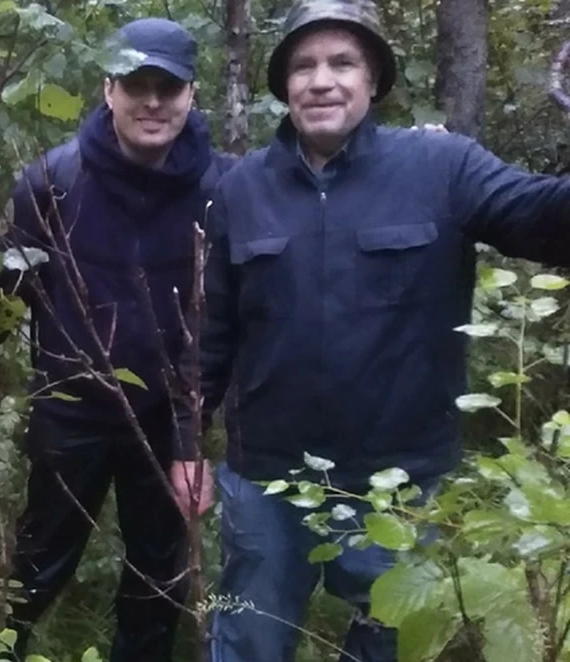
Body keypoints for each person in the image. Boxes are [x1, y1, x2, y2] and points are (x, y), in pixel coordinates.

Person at [201, 1, 570, 661]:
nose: (321, 80)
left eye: (343, 63)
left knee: (389, 644)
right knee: (251, 641)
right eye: (304, 66)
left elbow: (547, 223)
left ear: (374, 80)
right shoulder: (241, 190)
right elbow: (211, 335)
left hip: (397, 484)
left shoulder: (442, 167)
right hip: (266, 480)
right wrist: (183, 440)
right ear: (283, 84)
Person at [0, 18, 231, 662]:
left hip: (169, 424)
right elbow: (5, 290)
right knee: (38, 565)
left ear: (191, 95)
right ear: (108, 89)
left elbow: (227, 317)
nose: (152, 101)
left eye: (167, 87)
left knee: (157, 580)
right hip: (71, 410)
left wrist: (187, 440)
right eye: (137, 84)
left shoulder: (222, 189)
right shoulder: (54, 181)